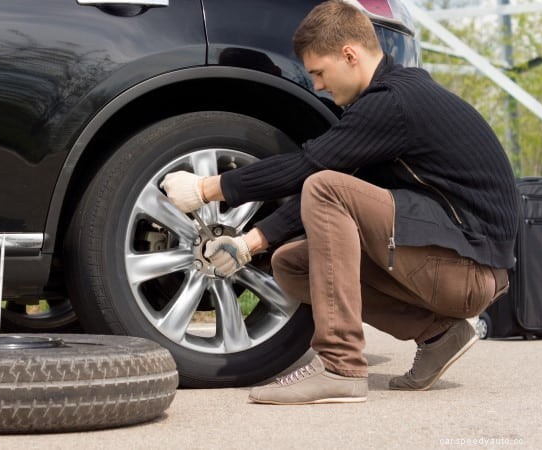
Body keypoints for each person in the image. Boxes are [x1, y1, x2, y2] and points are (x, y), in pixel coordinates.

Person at [160, 0, 518, 405]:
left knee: (324, 186)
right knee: (292, 264)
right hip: (458, 261)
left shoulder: (392, 104)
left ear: (350, 55)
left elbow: (309, 169)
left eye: (318, 72)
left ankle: (340, 366)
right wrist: (249, 244)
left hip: (469, 270)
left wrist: (209, 187)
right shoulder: (390, 102)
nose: (318, 86)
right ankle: (438, 334)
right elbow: (343, 183)